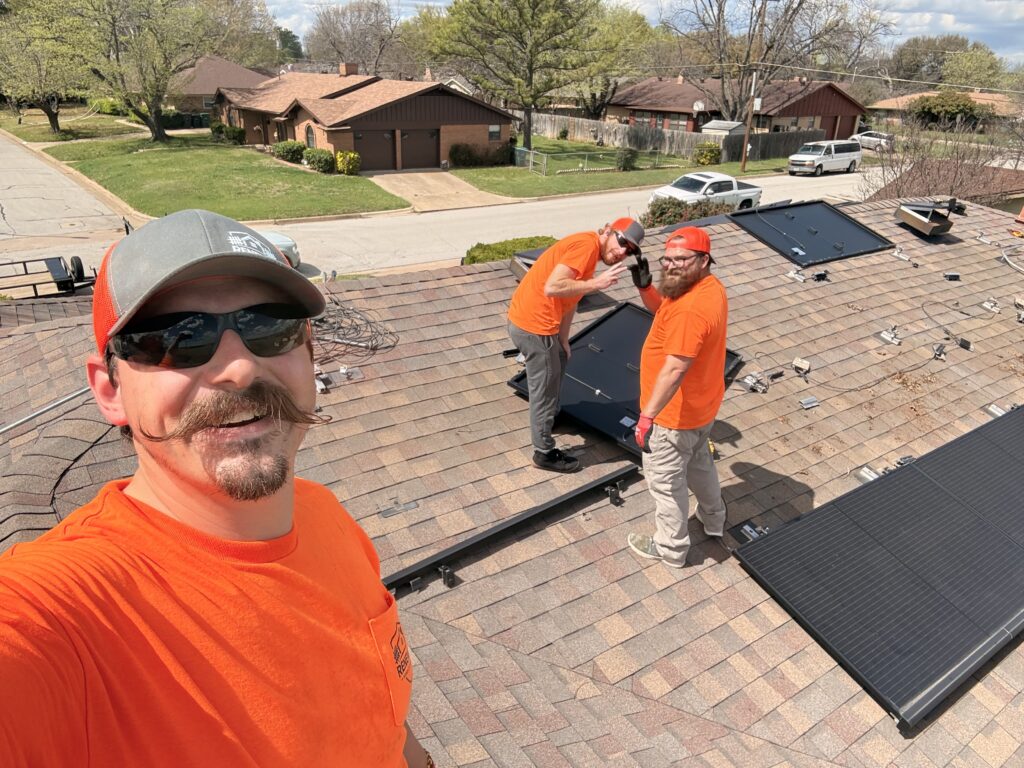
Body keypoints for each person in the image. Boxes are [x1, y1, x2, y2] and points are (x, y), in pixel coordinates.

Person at [0, 210, 433, 767]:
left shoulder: (324, 515)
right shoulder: (68, 614)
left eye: (269, 326)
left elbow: (385, 722)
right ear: (109, 391)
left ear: (309, 354)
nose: (240, 369)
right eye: (177, 339)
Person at [627, 226, 729, 568]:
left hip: (673, 419)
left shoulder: (692, 309)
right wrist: (645, 288)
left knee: (666, 484)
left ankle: (671, 549)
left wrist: (646, 417)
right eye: (667, 259)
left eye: (681, 259)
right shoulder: (707, 287)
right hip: (702, 410)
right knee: (701, 465)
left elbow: (674, 369)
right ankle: (714, 520)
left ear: (703, 259)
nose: (671, 266)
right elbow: (664, 312)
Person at [508, 218, 644, 472]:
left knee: (560, 360)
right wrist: (597, 284)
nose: (623, 252)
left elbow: (569, 301)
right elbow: (553, 287)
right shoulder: (586, 246)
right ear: (607, 231)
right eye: (622, 242)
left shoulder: (590, 253)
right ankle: (544, 452)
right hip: (534, 327)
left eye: (630, 251)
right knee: (544, 387)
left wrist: (563, 340)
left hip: (540, 326)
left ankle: (549, 416)